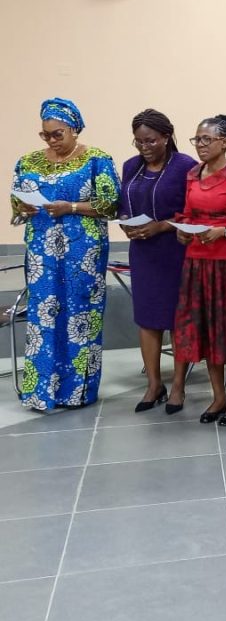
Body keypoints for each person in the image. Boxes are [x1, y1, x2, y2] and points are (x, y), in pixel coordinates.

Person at [10, 98, 120, 411]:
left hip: (82, 252)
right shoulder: (28, 161)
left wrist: (70, 207)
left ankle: (77, 392)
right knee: (43, 316)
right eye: (45, 134)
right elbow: (16, 205)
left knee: (80, 315)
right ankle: (41, 391)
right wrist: (24, 207)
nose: (51, 140)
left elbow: (111, 204)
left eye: (57, 134)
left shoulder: (96, 159)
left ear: (74, 129)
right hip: (41, 253)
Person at [170, 115, 226, 423]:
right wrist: (182, 230)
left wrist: (225, 231)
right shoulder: (192, 174)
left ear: (225, 141)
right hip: (197, 262)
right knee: (205, 329)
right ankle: (218, 396)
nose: (200, 145)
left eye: (207, 139)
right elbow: (188, 213)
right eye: (197, 140)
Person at [118, 109, 197, 412]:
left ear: (166, 136)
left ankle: (177, 386)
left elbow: (193, 211)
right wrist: (126, 224)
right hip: (143, 252)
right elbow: (124, 204)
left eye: (150, 140)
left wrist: (162, 225)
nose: (144, 147)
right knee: (147, 318)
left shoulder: (185, 166)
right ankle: (154, 384)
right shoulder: (131, 166)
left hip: (174, 249)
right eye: (139, 141)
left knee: (177, 320)